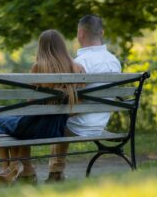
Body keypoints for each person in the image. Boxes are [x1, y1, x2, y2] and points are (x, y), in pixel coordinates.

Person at [0, 29, 85, 185]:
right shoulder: (78, 68)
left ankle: (11, 169)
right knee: (15, 125)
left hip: (37, 128)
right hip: (57, 128)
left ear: (42, 47)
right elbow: (76, 107)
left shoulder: (38, 67)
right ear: (62, 46)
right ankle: (16, 170)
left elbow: (30, 105)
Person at [46, 15, 122, 182]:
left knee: (61, 118)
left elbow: (65, 97)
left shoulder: (81, 63)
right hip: (100, 123)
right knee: (66, 116)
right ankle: (55, 173)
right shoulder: (114, 61)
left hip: (78, 126)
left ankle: (55, 172)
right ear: (101, 33)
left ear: (80, 33)